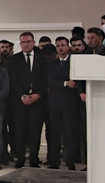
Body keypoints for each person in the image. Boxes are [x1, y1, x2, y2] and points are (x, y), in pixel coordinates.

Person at [7, 32, 48, 168]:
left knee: (35, 131)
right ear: (20, 44)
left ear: (33, 42)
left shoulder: (42, 59)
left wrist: (38, 95)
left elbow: (45, 79)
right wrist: (22, 96)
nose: (25, 44)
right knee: (20, 130)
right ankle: (20, 158)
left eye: (28, 42)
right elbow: (13, 79)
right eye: (23, 42)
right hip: (20, 102)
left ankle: (34, 158)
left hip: (37, 101)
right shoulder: (14, 59)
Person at [46, 39, 81, 170]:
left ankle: (70, 160)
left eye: (63, 45)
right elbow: (50, 81)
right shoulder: (52, 64)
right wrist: (65, 83)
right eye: (58, 46)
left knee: (71, 131)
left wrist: (61, 83)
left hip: (70, 102)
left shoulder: (74, 62)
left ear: (68, 47)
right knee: (55, 132)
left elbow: (76, 81)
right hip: (55, 102)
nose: (60, 48)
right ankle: (55, 160)